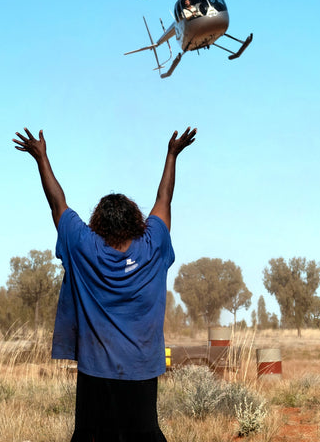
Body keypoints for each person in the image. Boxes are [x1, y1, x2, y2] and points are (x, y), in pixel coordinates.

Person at [13, 126, 197, 442]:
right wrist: (172, 155)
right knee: (144, 435)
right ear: (136, 220)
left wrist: (41, 158)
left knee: (90, 435)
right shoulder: (152, 245)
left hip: (95, 370)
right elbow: (163, 198)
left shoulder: (83, 245)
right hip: (140, 369)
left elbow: (58, 205)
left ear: (97, 222)